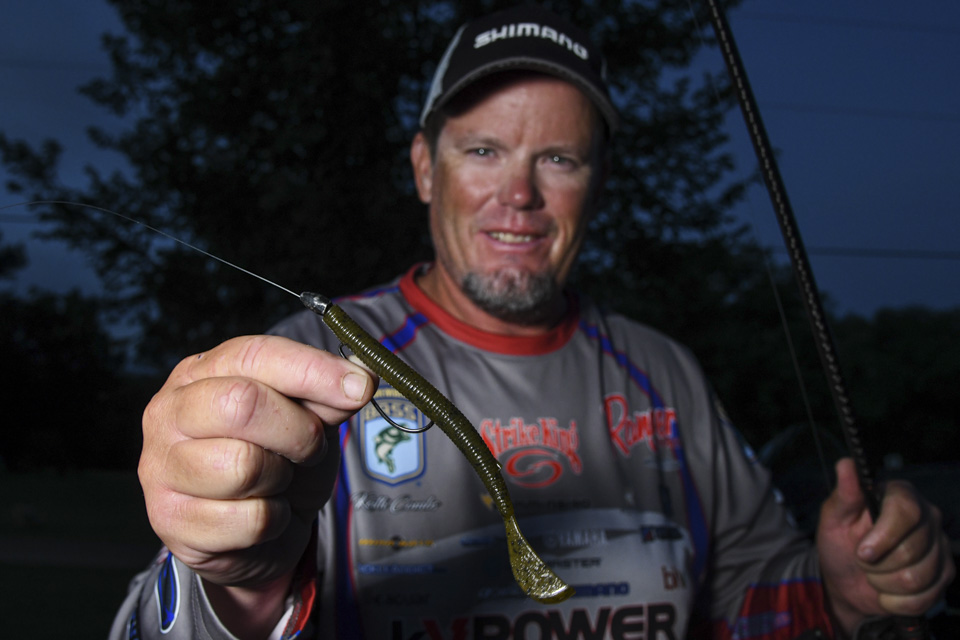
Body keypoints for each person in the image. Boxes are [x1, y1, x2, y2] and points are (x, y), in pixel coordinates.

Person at [110, 6, 953, 640]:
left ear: (597, 183)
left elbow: (750, 600)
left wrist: (841, 595)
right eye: (483, 150)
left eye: (559, 158)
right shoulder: (297, 369)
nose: (519, 194)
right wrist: (238, 584)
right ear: (424, 169)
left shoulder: (668, 373)